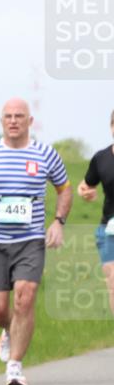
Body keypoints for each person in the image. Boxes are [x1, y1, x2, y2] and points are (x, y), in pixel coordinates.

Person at [0, 98, 72, 385]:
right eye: (8, 116)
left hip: (29, 239)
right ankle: (10, 329)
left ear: (29, 121)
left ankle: (14, 366)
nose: (13, 121)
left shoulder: (45, 154)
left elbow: (64, 189)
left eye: (19, 116)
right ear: (1, 121)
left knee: (25, 297)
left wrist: (58, 222)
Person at [77, 109, 114, 316]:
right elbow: (85, 185)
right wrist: (84, 192)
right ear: (111, 127)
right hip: (109, 229)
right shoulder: (101, 158)